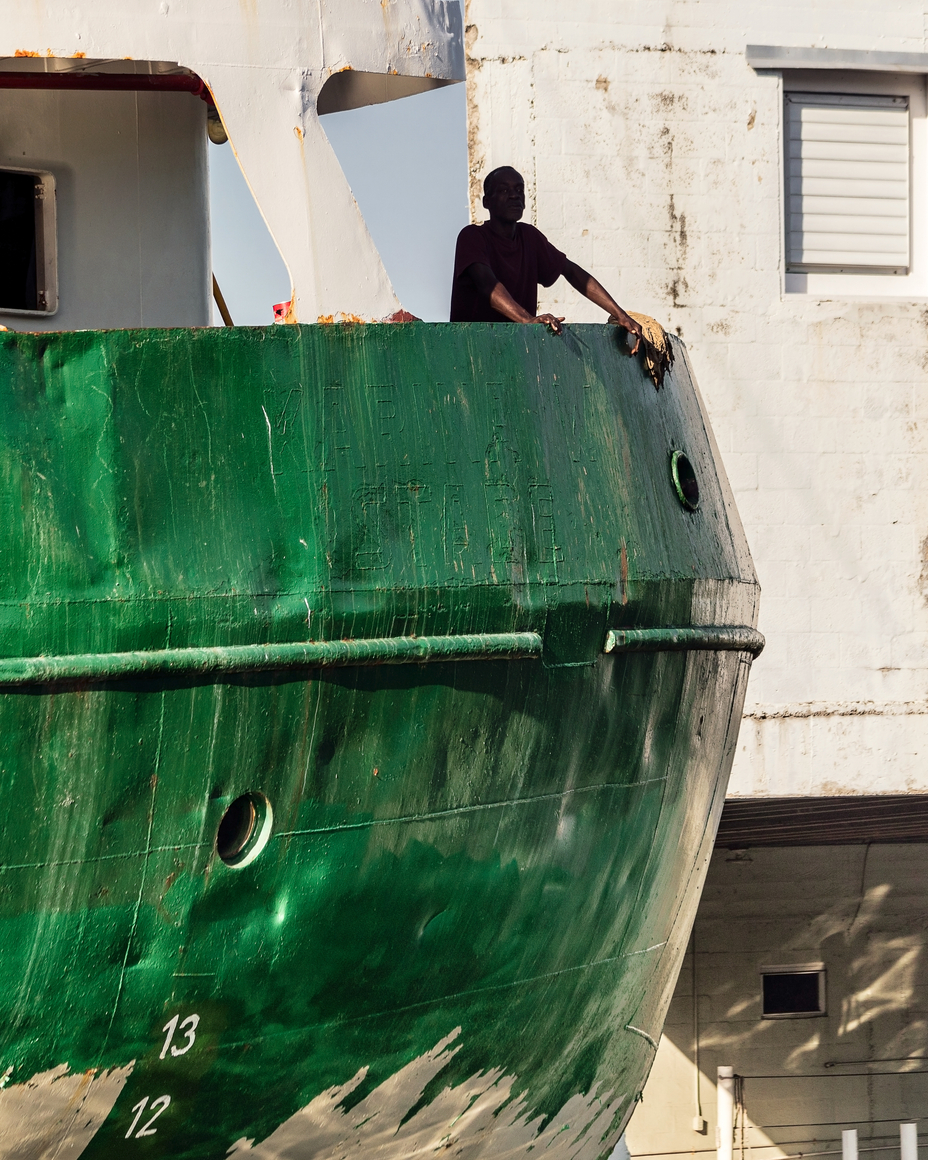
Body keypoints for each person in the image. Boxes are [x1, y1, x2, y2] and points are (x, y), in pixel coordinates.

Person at [449, 166, 643, 350]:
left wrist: (620, 315)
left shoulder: (529, 237)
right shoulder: (472, 237)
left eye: (519, 190)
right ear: (486, 202)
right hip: (473, 347)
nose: (514, 195)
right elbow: (487, 285)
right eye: (504, 190)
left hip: (517, 348)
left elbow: (572, 271)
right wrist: (527, 319)